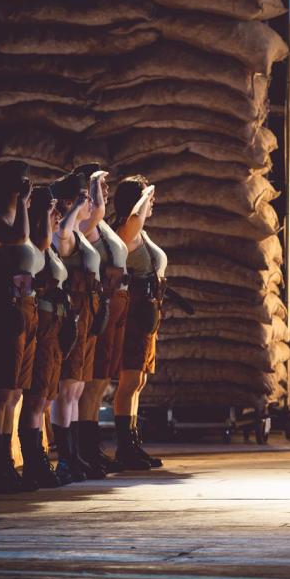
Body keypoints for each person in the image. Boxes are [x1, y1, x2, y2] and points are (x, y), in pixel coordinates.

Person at [0, 160, 41, 493]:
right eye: (22, 183)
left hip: (23, 305)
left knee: (15, 390)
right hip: (5, 307)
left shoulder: (19, 220)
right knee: (1, 390)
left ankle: (6, 462)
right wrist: (24, 204)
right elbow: (20, 237)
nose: (26, 187)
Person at [50, 172, 102, 482]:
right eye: (84, 199)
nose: (90, 204)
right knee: (67, 387)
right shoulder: (65, 234)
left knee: (77, 387)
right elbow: (62, 232)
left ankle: (75, 454)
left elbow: (97, 213)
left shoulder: (81, 233)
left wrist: (90, 193)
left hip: (88, 313)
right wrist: (73, 207)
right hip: (74, 313)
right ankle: (66, 458)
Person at [77, 165, 129, 474]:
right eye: (99, 187)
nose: (105, 193)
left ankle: (91, 446)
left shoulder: (102, 226)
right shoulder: (85, 224)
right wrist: (94, 181)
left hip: (111, 304)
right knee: (92, 381)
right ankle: (85, 447)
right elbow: (97, 210)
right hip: (99, 304)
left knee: (100, 382)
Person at [113, 175, 166, 470]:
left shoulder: (140, 233)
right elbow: (136, 217)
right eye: (148, 199)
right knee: (130, 379)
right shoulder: (127, 229)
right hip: (133, 312)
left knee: (139, 380)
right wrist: (146, 193)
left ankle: (132, 442)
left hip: (147, 311)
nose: (153, 203)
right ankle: (125, 447)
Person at [19, 186, 67, 489]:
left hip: (57, 321)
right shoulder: (37, 245)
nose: (58, 215)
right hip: (44, 320)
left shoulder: (49, 248)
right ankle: (33, 462)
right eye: (52, 210)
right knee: (37, 395)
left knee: (47, 394)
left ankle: (39, 458)